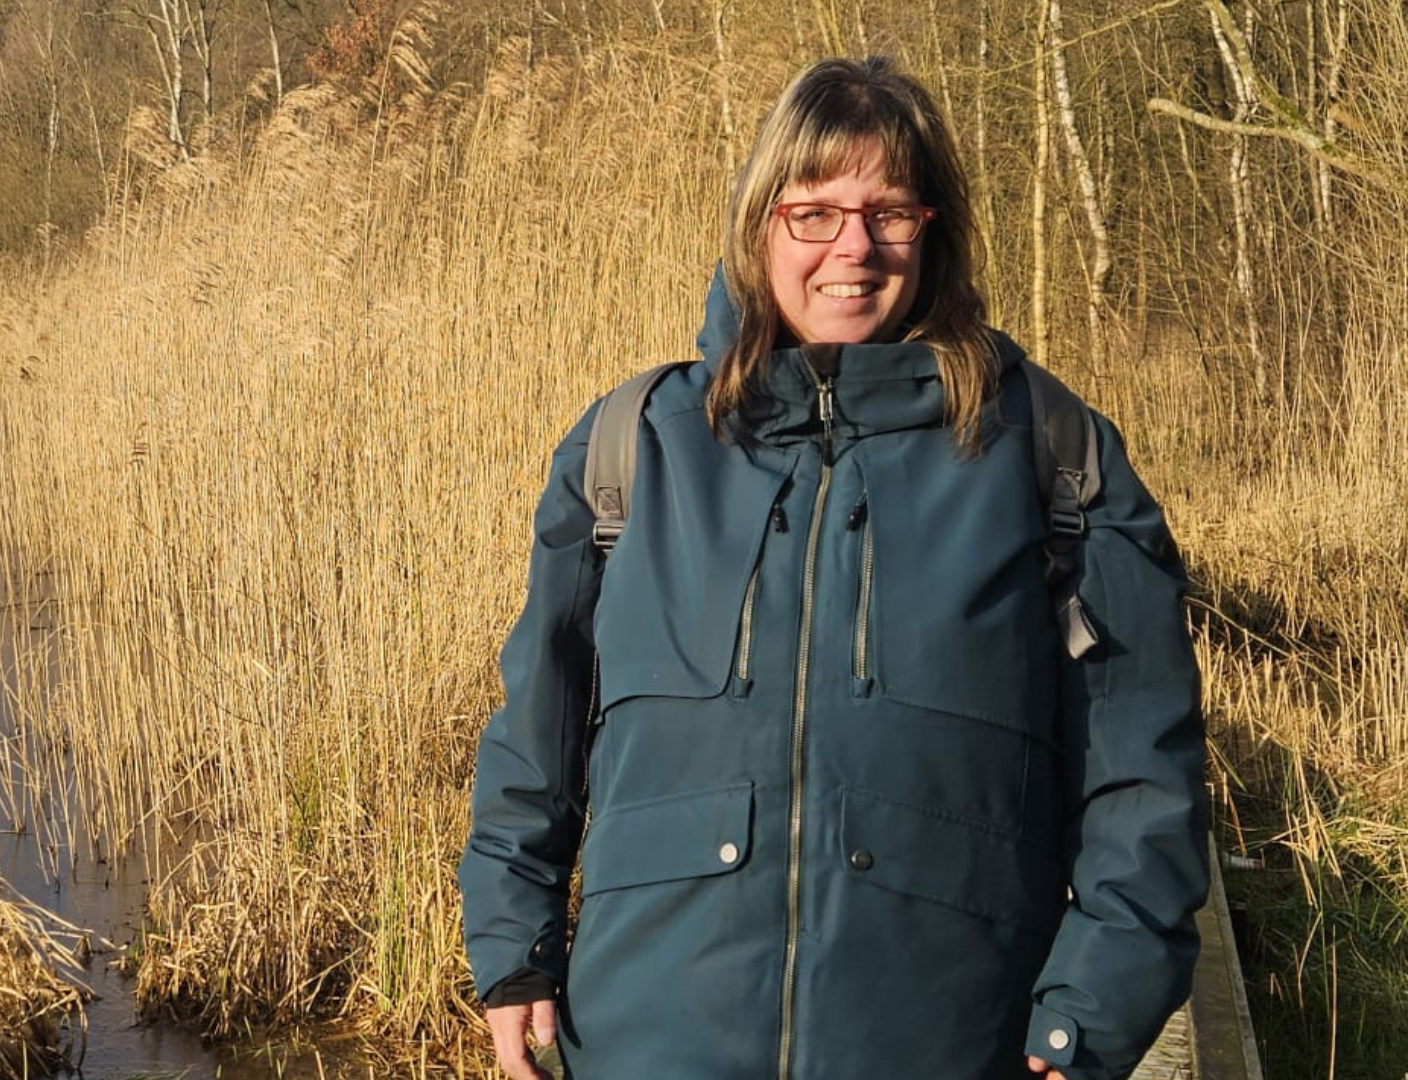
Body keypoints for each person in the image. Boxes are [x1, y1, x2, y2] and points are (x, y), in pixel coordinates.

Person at [457, 56, 1208, 1080]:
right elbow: (534, 736)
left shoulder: (1048, 454)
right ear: (760, 224)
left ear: (932, 229)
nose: (852, 248)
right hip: (653, 1039)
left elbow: (1145, 770)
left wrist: (1094, 1011)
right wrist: (513, 947)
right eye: (814, 212)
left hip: (945, 1041)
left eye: (889, 211)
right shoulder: (635, 448)